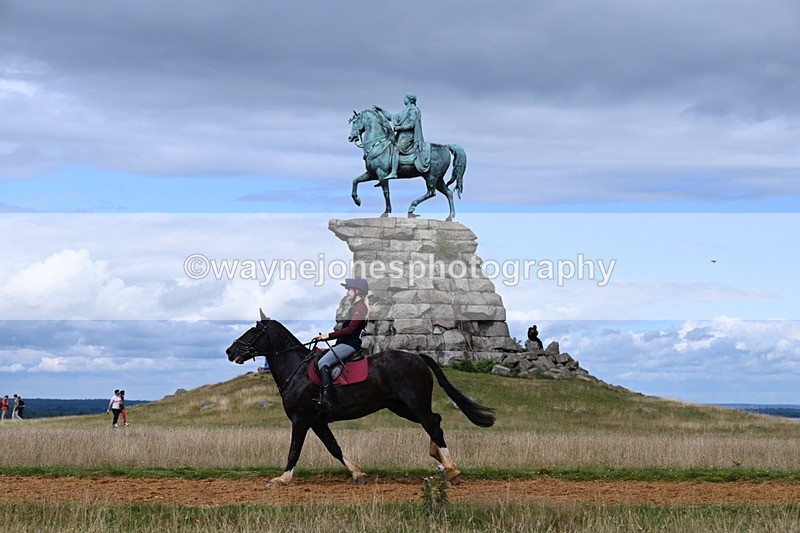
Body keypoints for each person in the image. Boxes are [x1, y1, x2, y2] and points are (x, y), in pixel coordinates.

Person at [312, 277, 370, 412]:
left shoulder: (361, 308)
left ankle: (327, 399)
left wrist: (327, 336)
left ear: (357, 291)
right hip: (344, 343)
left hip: (350, 345)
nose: (347, 292)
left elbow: (350, 330)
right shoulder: (355, 307)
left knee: (323, 363)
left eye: (349, 290)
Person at [373, 92, 430, 186]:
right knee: (388, 147)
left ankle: (394, 172)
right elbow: (392, 117)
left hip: (408, 137)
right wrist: (381, 110)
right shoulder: (405, 111)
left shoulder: (414, 110)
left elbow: (412, 125)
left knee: (395, 149)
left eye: (405, 98)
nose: (404, 99)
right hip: (401, 136)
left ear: (409, 99)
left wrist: (399, 128)